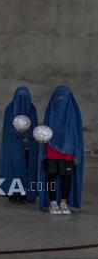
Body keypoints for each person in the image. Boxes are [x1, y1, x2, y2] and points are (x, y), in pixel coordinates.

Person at [38, 86, 83, 215]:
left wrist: (76, 152)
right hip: (51, 148)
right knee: (51, 175)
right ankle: (52, 202)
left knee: (66, 177)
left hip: (68, 150)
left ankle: (64, 202)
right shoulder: (51, 110)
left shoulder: (73, 113)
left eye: (64, 96)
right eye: (58, 96)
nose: (61, 100)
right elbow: (44, 131)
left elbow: (76, 134)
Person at [0, 87, 38, 203]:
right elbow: (7, 131)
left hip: (28, 146)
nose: (22, 100)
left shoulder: (32, 109)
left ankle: (27, 193)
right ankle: (14, 192)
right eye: (20, 97)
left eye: (25, 97)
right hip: (14, 147)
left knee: (28, 168)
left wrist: (28, 137)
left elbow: (34, 127)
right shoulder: (10, 109)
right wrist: (17, 133)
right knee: (15, 169)